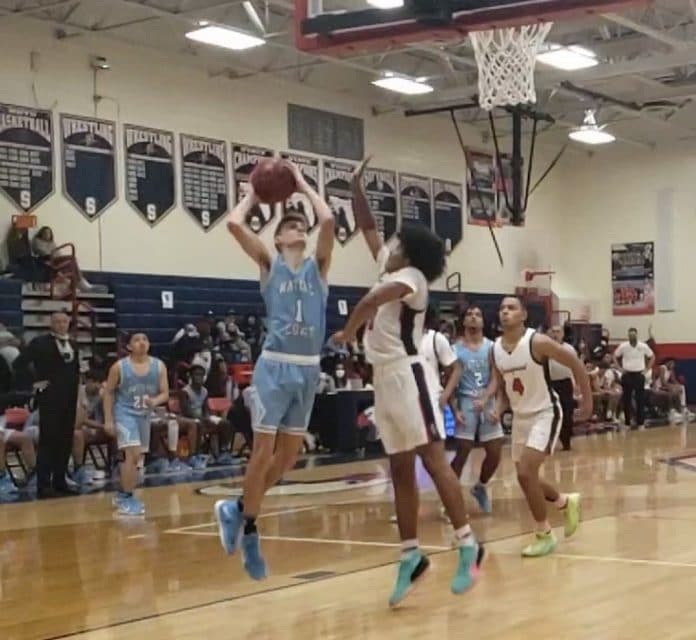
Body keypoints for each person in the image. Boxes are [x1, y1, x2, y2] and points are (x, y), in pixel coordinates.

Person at [335, 156, 483, 607]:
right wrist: (356, 188)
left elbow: (374, 297)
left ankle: (468, 545)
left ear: (412, 253)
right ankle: (411, 555)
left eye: (398, 242)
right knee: (399, 468)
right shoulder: (392, 265)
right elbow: (367, 230)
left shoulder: (412, 278)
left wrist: (348, 331)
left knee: (434, 462)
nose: (390, 244)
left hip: (410, 375)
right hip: (385, 380)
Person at [214, 160, 335, 581]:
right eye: (291, 225)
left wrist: (301, 183)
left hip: (307, 369)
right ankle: (249, 531)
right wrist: (253, 193)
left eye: (303, 224)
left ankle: (236, 508)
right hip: (275, 366)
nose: (300, 228)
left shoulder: (319, 268)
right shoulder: (270, 263)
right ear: (280, 237)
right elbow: (233, 224)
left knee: (288, 458)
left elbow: (330, 219)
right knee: (263, 451)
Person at [491, 296, 591, 557]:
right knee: (528, 478)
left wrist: (588, 401)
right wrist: (498, 408)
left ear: (523, 314)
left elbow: (576, 364)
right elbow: (503, 387)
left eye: (511, 308)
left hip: (545, 412)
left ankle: (544, 534)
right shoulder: (495, 349)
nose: (505, 312)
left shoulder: (537, 341)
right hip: (521, 417)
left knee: (525, 473)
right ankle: (565, 502)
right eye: (502, 308)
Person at [13, 312, 80, 498]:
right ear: (51, 323)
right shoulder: (40, 343)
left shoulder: (73, 344)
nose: (61, 324)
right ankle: (43, 484)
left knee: (65, 439)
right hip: (50, 398)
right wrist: (34, 383)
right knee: (48, 441)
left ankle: (60, 480)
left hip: (69, 398)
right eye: (57, 321)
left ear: (69, 323)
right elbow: (19, 364)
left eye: (64, 321)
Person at [103, 332, 168, 517]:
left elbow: (165, 393)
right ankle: (127, 497)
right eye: (137, 340)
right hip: (124, 414)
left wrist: (155, 402)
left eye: (145, 339)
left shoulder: (159, 366)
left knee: (137, 458)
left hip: (144, 416)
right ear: (129, 346)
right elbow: (108, 393)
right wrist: (108, 420)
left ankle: (123, 493)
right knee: (132, 453)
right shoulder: (119, 367)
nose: (142, 342)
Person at [450, 305, 504, 515]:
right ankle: (451, 499)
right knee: (463, 449)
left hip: (486, 401)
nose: (474, 318)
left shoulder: (491, 347)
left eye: (478, 314)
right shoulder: (455, 349)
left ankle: (480, 486)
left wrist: (488, 398)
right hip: (465, 400)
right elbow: (450, 383)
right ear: (463, 321)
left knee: (495, 451)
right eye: (470, 314)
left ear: (483, 321)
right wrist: (455, 410)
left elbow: (495, 377)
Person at [613, 328, 655, 429]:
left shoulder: (643, 346)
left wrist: (646, 370)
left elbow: (652, 357)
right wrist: (619, 368)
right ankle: (627, 422)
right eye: (630, 335)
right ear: (628, 336)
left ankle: (640, 423)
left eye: (633, 335)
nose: (632, 336)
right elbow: (614, 356)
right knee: (626, 399)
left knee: (640, 399)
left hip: (639, 374)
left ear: (636, 335)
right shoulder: (623, 346)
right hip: (627, 374)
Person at [546, 325, 578, 451]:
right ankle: (549, 442)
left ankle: (566, 442)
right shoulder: (544, 348)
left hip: (565, 383)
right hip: (549, 383)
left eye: (558, 331)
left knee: (566, 412)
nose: (555, 334)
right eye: (553, 331)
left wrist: (577, 384)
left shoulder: (569, 349)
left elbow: (576, 367)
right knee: (549, 413)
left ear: (563, 334)